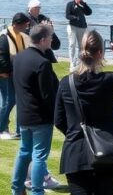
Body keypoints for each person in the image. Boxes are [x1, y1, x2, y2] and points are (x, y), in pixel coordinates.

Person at [54, 29, 113, 194]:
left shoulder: (66, 83)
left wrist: (76, 133)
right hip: (109, 149)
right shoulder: (110, 80)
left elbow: (59, 120)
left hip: (76, 154)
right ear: (100, 53)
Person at [10, 24, 61, 195]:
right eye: (50, 37)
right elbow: (47, 95)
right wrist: (57, 115)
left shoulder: (18, 57)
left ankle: (17, 189)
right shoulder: (42, 63)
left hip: (23, 115)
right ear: (43, 40)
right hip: (40, 118)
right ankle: (37, 191)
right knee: (39, 156)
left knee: (24, 152)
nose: (52, 40)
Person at [1, 12, 32, 141]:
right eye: (24, 25)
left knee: (17, 101)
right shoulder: (4, 36)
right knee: (9, 100)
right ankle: (1, 127)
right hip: (5, 74)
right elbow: (2, 57)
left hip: (17, 73)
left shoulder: (23, 35)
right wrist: (5, 71)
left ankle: (19, 130)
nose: (26, 27)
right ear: (16, 25)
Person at [65, 0, 93, 67]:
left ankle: (80, 61)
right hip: (72, 27)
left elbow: (89, 12)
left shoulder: (82, 4)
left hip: (82, 27)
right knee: (72, 44)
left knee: (81, 45)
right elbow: (67, 15)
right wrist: (74, 17)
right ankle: (72, 62)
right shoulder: (70, 4)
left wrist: (84, 5)